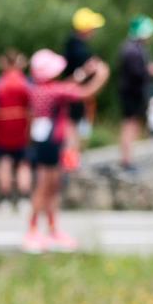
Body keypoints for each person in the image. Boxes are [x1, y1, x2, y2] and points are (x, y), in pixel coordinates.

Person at [24, 47, 107, 253]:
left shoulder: (39, 89)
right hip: (52, 143)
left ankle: (51, 229)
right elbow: (85, 92)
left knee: (51, 187)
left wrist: (84, 72)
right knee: (46, 188)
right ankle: (34, 230)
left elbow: (68, 84)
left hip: (45, 142)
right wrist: (101, 75)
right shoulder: (55, 91)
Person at [0, 50, 32, 209]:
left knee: (4, 161)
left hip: (2, 126)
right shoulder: (26, 83)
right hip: (23, 126)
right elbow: (32, 107)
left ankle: (5, 198)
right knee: (23, 163)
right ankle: (24, 198)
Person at [115, 16, 153, 175]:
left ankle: (128, 159)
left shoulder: (134, 47)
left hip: (133, 93)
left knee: (132, 125)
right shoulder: (132, 50)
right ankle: (126, 160)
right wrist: (149, 71)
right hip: (132, 93)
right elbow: (136, 73)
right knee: (130, 125)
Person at [62, 7, 105, 143]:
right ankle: (71, 154)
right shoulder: (77, 47)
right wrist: (96, 74)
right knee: (72, 125)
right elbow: (78, 75)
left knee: (76, 125)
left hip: (77, 93)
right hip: (75, 93)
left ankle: (73, 153)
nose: (94, 31)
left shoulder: (74, 43)